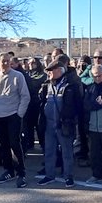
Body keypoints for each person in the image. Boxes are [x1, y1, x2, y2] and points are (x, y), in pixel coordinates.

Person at [37, 55, 84, 187]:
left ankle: (68, 176)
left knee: (67, 151)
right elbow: (41, 100)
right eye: (49, 71)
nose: (50, 73)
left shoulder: (71, 85)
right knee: (50, 150)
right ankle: (49, 175)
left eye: (53, 70)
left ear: (60, 70)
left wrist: (73, 120)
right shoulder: (47, 85)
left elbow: (78, 104)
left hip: (65, 123)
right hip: (49, 123)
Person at [0, 52, 31, 188]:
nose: (5, 63)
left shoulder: (18, 76)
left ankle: (21, 173)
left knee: (14, 143)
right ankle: (8, 171)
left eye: (7, 61)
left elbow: (25, 96)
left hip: (13, 115)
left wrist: (19, 114)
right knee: (3, 145)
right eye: (3, 61)